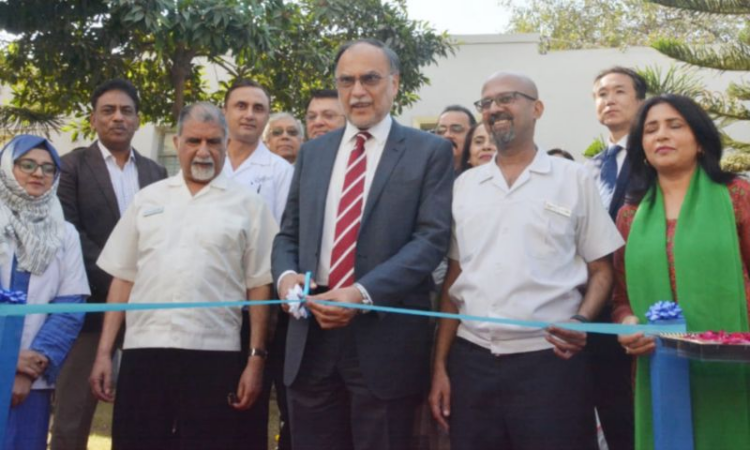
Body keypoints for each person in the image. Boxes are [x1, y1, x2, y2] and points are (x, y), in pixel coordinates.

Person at [272, 38, 454, 450]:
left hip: (383, 342)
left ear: (394, 83)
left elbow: (430, 241)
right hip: (311, 336)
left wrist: (361, 293)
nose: (357, 91)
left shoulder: (430, 152)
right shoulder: (313, 153)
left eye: (370, 79)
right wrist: (285, 279)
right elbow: (288, 233)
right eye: (346, 80)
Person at [429, 72, 624, 450]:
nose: (495, 108)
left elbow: (602, 269)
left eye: (508, 98)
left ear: (537, 108)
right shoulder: (464, 187)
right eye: (486, 103)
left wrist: (581, 319)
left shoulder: (574, 179)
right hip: (472, 365)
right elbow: (455, 279)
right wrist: (440, 366)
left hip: (551, 362)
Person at [89, 102, 278, 449]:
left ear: (225, 143)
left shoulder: (250, 206)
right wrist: (104, 353)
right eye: (193, 141)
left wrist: (255, 360)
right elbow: (123, 278)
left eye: (213, 142)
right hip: (143, 351)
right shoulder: (148, 200)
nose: (203, 151)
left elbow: (259, 285)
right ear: (177, 143)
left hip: (215, 354)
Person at [613, 94, 750, 450]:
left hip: (736, 366)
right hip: (659, 367)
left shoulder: (736, 196)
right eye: (651, 129)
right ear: (641, 147)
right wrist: (629, 326)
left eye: (675, 126)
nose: (661, 136)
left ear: (701, 141)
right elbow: (622, 300)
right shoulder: (630, 216)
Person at [52, 78, 167, 450]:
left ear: (136, 119)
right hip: (89, 308)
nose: (118, 117)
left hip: (143, 317)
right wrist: (122, 279)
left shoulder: (156, 174)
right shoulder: (69, 168)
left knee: (140, 417)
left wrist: (140, 287)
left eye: (126, 111)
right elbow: (69, 233)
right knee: (72, 417)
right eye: (108, 110)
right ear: (93, 119)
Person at [0, 135, 89, 450]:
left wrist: (27, 370)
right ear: (8, 168)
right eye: (28, 164)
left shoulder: (64, 233)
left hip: (31, 383)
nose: (38, 174)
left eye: (48, 168)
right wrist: (6, 360)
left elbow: (71, 306)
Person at [585, 66, 647, 450]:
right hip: (595, 310)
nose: (608, 99)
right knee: (614, 414)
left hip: (646, 304)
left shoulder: (657, 157)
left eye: (619, 91)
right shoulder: (587, 168)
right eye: (600, 94)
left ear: (641, 100)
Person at [223, 79, 293, 225]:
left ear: (267, 117)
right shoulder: (208, 162)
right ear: (225, 112)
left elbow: (284, 232)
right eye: (241, 106)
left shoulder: (281, 171)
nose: (249, 115)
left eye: (258, 108)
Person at [434, 105, 476, 173]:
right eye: (441, 130)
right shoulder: (427, 172)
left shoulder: (481, 173)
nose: (447, 135)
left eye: (456, 129)